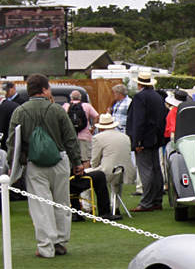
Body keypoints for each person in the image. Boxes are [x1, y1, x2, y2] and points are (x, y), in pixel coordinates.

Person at [8, 74, 83, 257]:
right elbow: (70, 138)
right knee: (62, 203)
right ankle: (60, 243)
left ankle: (45, 246)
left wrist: (13, 166)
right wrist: (77, 162)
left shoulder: (19, 112)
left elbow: (12, 142)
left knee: (40, 206)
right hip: (59, 161)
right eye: (49, 88)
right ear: (44, 90)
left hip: (35, 165)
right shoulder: (57, 110)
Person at [125, 70, 166, 211]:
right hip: (156, 137)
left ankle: (146, 202)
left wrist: (137, 142)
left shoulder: (140, 98)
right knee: (156, 170)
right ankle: (157, 200)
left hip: (145, 139)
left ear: (139, 84)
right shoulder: (158, 97)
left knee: (146, 171)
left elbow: (138, 121)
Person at [92, 113, 134, 215]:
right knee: (116, 180)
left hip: (108, 171)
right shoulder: (125, 137)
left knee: (86, 176)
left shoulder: (98, 138)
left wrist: (93, 167)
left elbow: (94, 161)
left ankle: (88, 207)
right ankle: (116, 206)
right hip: (125, 171)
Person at [63, 90, 100, 165]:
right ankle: (85, 175)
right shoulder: (87, 106)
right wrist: (92, 129)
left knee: (71, 159)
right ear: (80, 97)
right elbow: (96, 116)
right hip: (85, 136)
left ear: (71, 98)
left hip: (70, 137)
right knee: (85, 159)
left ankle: (73, 176)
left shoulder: (66, 106)